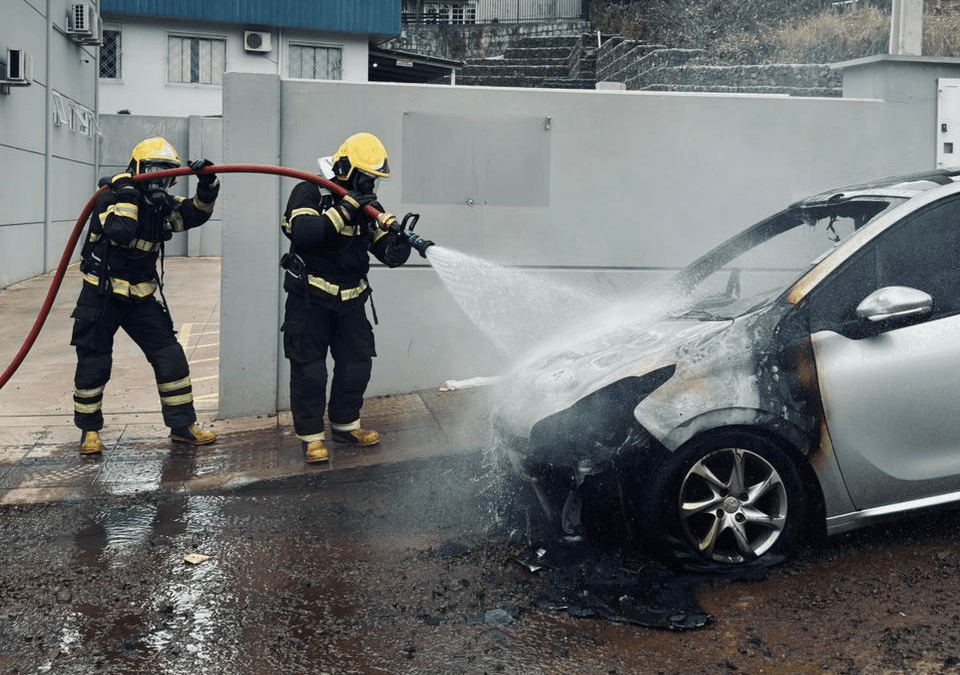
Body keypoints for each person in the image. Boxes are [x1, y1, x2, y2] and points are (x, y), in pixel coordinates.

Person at [71, 137, 221, 454]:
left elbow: (195, 214)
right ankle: (89, 431)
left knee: (170, 358)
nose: (159, 181)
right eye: (153, 171)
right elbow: (122, 230)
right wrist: (127, 191)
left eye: (166, 174)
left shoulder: (159, 205)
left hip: (140, 297)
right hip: (101, 294)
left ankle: (182, 427)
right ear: (137, 168)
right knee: (94, 363)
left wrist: (207, 185)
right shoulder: (109, 197)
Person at [280, 132, 412, 464]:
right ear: (345, 169)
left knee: (357, 364)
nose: (370, 186)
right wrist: (346, 207)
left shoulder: (367, 204)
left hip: (351, 302)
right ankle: (311, 437)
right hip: (309, 300)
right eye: (365, 178)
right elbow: (306, 234)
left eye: (374, 180)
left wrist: (399, 244)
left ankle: (345, 425)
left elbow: (384, 250)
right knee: (310, 372)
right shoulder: (309, 191)